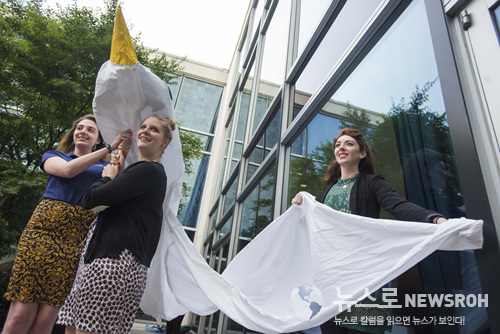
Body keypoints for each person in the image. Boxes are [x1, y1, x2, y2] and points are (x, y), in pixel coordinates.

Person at [291, 128, 447, 334]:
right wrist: (302, 205)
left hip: (363, 276)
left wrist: (435, 219)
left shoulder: (372, 183)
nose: (341, 148)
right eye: (338, 145)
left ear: (361, 153)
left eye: (349, 144)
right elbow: (320, 227)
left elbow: (398, 205)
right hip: (331, 278)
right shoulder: (329, 188)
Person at [2, 114, 132, 334]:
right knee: (19, 316)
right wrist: (110, 147)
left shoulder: (105, 167)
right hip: (41, 235)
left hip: (74, 242)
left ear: (98, 139)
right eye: (79, 128)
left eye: (90, 130)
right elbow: (67, 171)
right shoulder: (54, 156)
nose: (82, 131)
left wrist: (121, 152)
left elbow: (115, 189)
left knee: (45, 321)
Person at [57, 115, 177, 334]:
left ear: (165, 142)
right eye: (142, 127)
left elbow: (91, 200)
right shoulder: (141, 172)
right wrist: (119, 173)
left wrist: (108, 177)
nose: (145, 131)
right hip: (99, 260)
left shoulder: (148, 170)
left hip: (112, 264)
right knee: (73, 328)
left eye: (154, 129)